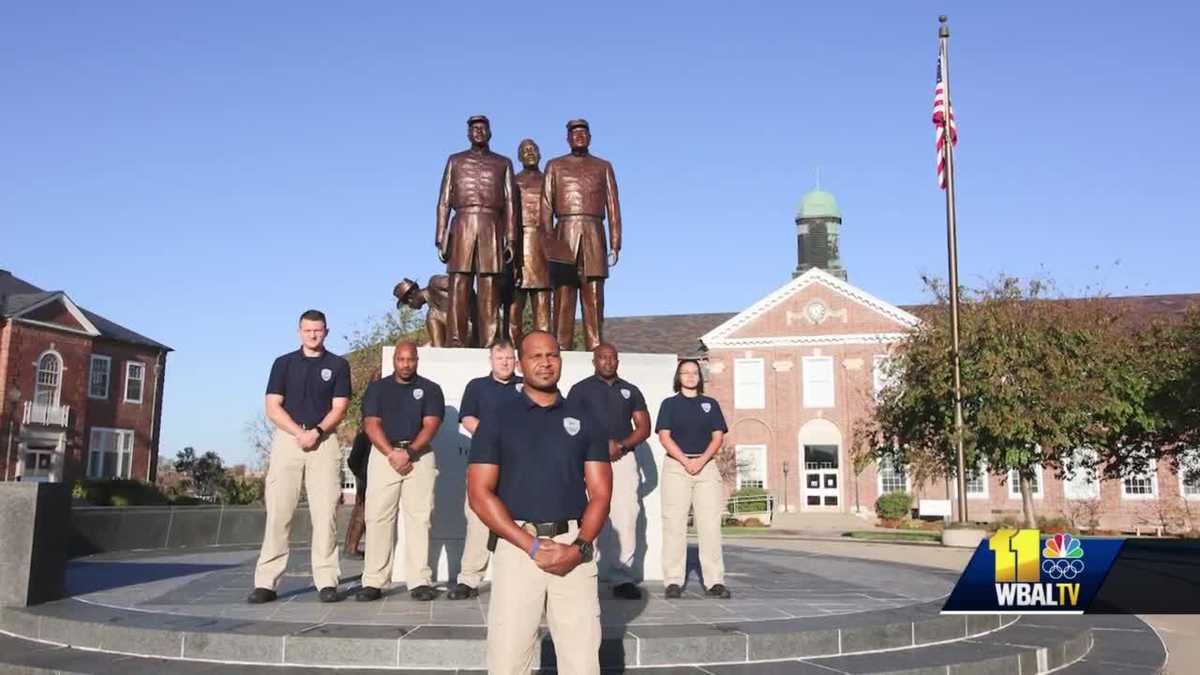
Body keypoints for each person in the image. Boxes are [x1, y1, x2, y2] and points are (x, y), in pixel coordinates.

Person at [468, 331, 612, 675]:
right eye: (536, 356)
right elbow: (479, 494)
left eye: (552, 355)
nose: (545, 363)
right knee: (508, 661)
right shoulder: (498, 418)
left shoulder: (585, 418)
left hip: (573, 550)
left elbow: (602, 494)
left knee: (582, 663)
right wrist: (530, 545)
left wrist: (578, 548)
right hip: (518, 547)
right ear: (520, 364)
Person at [248, 309, 350, 604]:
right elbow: (272, 406)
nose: (313, 335)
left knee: (326, 514)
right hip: (288, 440)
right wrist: (298, 432)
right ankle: (267, 582)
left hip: (324, 441)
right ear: (299, 332)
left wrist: (316, 431)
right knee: (279, 512)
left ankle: (327, 579)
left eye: (318, 330)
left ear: (326, 332)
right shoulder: (283, 364)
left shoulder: (338, 365)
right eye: (308, 330)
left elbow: (340, 407)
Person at [356, 341, 445, 602]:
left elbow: (431, 424)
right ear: (394, 360)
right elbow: (371, 424)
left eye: (411, 360)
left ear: (417, 360)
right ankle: (374, 581)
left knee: (419, 518)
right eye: (401, 359)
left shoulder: (430, 389)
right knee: (378, 518)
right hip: (384, 455)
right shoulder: (377, 389)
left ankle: (419, 580)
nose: (406, 364)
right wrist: (392, 453)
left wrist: (410, 452)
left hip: (419, 455)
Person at [566, 343, 650, 599]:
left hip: (622, 459)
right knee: (585, 514)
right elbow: (569, 424)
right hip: (588, 460)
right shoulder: (580, 390)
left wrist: (622, 445)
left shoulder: (630, 391)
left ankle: (622, 577)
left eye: (612, 358)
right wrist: (598, 445)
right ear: (594, 361)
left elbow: (644, 427)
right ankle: (582, 570)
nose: (607, 362)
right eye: (602, 358)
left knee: (625, 516)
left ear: (617, 361)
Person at [447, 341, 522, 600]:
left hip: (519, 464)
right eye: (500, 358)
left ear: (516, 361)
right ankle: (469, 579)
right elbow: (467, 418)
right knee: (479, 519)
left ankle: (515, 577)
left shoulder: (526, 386)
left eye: (509, 358)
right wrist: (492, 437)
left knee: (516, 519)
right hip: (484, 461)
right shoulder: (476, 386)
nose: (505, 362)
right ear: (491, 360)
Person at [435, 115, 517, 347]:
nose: (479, 132)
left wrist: (510, 238)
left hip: (491, 224)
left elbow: (511, 203)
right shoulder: (455, 161)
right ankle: (455, 341)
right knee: (459, 283)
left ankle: (489, 342)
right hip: (462, 223)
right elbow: (443, 201)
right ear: (468, 134)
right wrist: (441, 235)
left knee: (489, 285)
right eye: (474, 129)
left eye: (483, 128)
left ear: (490, 132)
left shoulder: (503, 163)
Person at [541, 119, 622, 351]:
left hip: (594, 232)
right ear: (567, 138)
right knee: (564, 295)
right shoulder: (554, 165)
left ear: (590, 137)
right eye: (575, 134)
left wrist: (615, 242)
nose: (579, 137)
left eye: (584, 134)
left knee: (594, 295)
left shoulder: (603, 166)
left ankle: (595, 346)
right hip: (564, 232)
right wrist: (548, 243)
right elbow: (546, 207)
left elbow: (613, 206)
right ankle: (561, 347)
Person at [655, 359, 730, 599]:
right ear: (678, 377)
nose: (690, 376)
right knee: (674, 524)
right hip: (677, 466)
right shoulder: (669, 404)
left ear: (700, 376)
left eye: (694, 372)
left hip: (706, 467)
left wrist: (701, 461)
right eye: (685, 372)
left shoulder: (710, 404)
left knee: (709, 525)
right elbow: (664, 437)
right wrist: (686, 461)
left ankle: (714, 581)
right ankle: (673, 581)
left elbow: (717, 437)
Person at [508, 138, 552, 346]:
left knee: (543, 302)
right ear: (519, 157)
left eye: (534, 149)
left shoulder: (549, 180)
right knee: (513, 305)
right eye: (525, 151)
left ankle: (543, 346)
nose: (530, 153)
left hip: (542, 245)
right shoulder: (512, 181)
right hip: (518, 245)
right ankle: (513, 348)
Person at [343, 429, 371, 559]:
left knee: (362, 515)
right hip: (365, 480)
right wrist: (361, 476)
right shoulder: (363, 436)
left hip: (369, 478)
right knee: (360, 515)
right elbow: (352, 461)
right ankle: (351, 548)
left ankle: (352, 547)